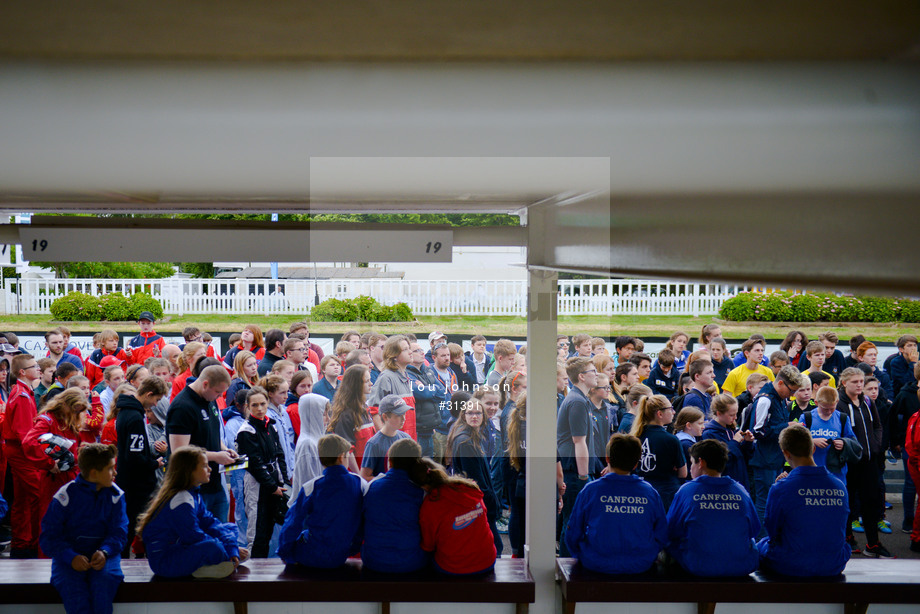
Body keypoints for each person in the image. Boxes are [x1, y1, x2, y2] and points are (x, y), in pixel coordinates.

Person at [40, 443, 127, 614]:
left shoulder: (116, 496)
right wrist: (70, 557)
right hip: (68, 559)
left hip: (105, 558)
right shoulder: (65, 496)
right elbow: (49, 537)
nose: (115, 473)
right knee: (74, 594)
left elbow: (119, 532)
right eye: (110, 468)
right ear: (94, 473)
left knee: (103, 586)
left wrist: (105, 551)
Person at [137, 445, 247, 578]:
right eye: (205, 466)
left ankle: (216, 561)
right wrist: (228, 549)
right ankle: (208, 566)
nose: (210, 469)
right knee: (213, 547)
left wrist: (231, 546)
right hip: (165, 562)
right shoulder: (181, 499)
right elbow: (193, 536)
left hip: (181, 549)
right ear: (189, 471)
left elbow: (210, 523)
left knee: (230, 528)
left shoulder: (193, 494)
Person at [565, 433, 667, 574]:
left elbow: (572, 533)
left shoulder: (591, 490)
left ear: (607, 458)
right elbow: (662, 534)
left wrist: (584, 555)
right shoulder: (650, 493)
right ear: (636, 463)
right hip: (640, 563)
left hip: (595, 563)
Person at [756, 425, 850, 576]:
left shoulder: (780, 488)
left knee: (759, 545)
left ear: (786, 454)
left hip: (790, 564)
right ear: (813, 449)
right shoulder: (839, 486)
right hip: (833, 563)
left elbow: (773, 531)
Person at [666, 439, 760, 577]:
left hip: (697, 565)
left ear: (701, 463)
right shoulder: (740, 491)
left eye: (692, 462)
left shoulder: (687, 490)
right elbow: (754, 530)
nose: (690, 467)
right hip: (741, 565)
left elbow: (671, 530)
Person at [279, 434, 368, 568]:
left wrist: (285, 552)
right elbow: (363, 521)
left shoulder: (311, 487)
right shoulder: (359, 483)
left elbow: (292, 522)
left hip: (310, 555)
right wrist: (353, 547)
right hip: (340, 555)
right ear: (340, 457)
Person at [166, 365, 237, 522]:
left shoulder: (209, 400)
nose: (219, 397)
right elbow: (180, 452)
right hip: (191, 485)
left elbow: (211, 434)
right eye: (217, 392)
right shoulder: (182, 407)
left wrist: (225, 450)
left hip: (214, 483)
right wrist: (216, 456)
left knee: (220, 533)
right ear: (205, 384)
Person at [836, 367, 891, 558]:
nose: (860, 385)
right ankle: (847, 538)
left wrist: (875, 445)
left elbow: (877, 425)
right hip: (849, 463)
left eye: (861, 382)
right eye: (855, 382)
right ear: (844, 383)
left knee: (871, 503)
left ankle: (873, 543)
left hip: (870, 460)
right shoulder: (839, 404)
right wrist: (850, 450)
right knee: (848, 503)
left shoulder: (866, 401)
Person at [413, 457, 497, 575]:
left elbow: (428, 545)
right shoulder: (468, 487)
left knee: (424, 562)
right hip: (487, 560)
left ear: (423, 487)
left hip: (453, 567)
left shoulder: (431, 504)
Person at [113, 377, 169, 557]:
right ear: (149, 394)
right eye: (156, 400)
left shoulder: (125, 412)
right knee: (133, 528)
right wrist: (155, 463)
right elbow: (135, 455)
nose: (155, 404)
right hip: (135, 485)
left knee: (128, 527)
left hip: (128, 480)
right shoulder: (135, 417)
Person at [361, 437, 428, 573]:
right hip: (411, 561)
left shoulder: (371, 487)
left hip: (373, 560)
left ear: (389, 461)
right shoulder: (421, 492)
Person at [235, 386, 288, 558]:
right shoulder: (246, 431)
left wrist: (283, 481)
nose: (259, 409)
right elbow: (254, 464)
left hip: (273, 483)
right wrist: (272, 486)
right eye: (255, 405)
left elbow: (280, 454)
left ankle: (263, 572)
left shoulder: (270, 426)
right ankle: (252, 576)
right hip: (257, 485)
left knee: (269, 530)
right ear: (248, 407)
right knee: (257, 533)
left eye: (263, 404)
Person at [447, 397, 502, 556]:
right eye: (470, 413)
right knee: (494, 547)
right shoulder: (466, 442)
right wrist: (492, 502)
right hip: (477, 502)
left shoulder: (471, 436)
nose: (474, 416)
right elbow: (475, 480)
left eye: (478, 413)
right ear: (463, 415)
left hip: (476, 501)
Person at [748, 365, 801, 530]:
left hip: (774, 459)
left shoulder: (778, 397)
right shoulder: (765, 400)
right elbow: (756, 431)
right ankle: (760, 540)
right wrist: (786, 426)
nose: (792, 396)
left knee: (771, 500)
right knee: (764, 502)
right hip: (764, 460)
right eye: (791, 390)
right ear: (780, 384)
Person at [556, 356, 598, 556]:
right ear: (581, 377)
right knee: (572, 521)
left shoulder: (579, 399)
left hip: (574, 469)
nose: (597, 375)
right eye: (593, 372)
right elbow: (578, 442)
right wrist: (584, 476)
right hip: (574, 471)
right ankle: (566, 565)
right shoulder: (577, 402)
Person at [2, 353, 43, 557]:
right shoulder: (22, 396)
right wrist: (42, 458)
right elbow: (26, 434)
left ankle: (22, 541)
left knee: (23, 498)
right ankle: (35, 542)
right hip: (22, 452)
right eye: (34, 366)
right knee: (37, 494)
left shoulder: (20, 391)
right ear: (23, 372)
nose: (39, 369)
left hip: (18, 450)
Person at [631, 394, 687, 510]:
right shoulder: (671, 439)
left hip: (640, 492)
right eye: (670, 409)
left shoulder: (635, 436)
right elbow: (683, 473)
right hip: (666, 494)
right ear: (659, 413)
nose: (674, 412)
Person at [802, 386, 859, 484]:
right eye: (825, 409)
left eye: (832, 408)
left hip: (836, 473)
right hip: (812, 471)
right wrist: (812, 441)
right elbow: (797, 441)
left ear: (837, 402)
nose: (828, 412)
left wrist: (844, 443)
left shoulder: (842, 418)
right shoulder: (807, 417)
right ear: (816, 403)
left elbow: (853, 441)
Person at [406, 339, 451, 462]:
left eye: (421, 350)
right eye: (416, 351)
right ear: (408, 354)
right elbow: (420, 392)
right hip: (417, 431)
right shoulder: (406, 373)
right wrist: (429, 390)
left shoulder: (427, 370)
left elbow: (442, 392)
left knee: (430, 467)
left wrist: (427, 389)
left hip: (430, 429)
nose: (421, 352)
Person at [327, 365, 376, 472]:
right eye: (366, 381)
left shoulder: (365, 409)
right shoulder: (345, 414)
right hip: (356, 474)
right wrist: (359, 476)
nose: (371, 384)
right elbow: (347, 450)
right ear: (356, 384)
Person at [701, 393, 754, 490]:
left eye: (736, 414)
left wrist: (747, 442)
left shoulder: (732, 430)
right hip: (723, 485)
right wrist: (734, 442)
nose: (735, 418)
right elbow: (719, 462)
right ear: (718, 413)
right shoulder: (709, 434)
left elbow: (744, 457)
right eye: (731, 415)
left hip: (738, 482)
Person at [368, 335, 417, 439]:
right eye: (405, 349)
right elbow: (374, 410)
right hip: (394, 445)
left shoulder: (405, 376)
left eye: (409, 348)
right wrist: (385, 438)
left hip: (408, 441)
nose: (410, 352)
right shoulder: (386, 377)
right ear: (393, 355)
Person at [360, 395, 412, 480]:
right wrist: (388, 480)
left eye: (404, 414)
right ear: (385, 417)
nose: (404, 418)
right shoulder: (374, 444)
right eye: (398, 415)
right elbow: (364, 476)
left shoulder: (406, 438)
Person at [291, 393, 328, 495]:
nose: (328, 419)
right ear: (313, 414)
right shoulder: (307, 444)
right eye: (323, 414)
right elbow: (309, 484)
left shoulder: (315, 439)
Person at [505, 393, 527, 558]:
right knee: (521, 517)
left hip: (516, 475)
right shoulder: (531, 429)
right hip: (524, 479)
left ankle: (516, 552)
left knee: (517, 515)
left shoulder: (515, 425)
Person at [225, 350, 259, 416]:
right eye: (249, 365)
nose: (254, 368)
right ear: (241, 368)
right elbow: (230, 409)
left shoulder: (258, 383)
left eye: (255, 364)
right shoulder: (235, 385)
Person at [674, 407, 705, 475]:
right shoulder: (686, 444)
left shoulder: (681, 438)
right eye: (700, 424)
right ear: (688, 425)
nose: (703, 427)